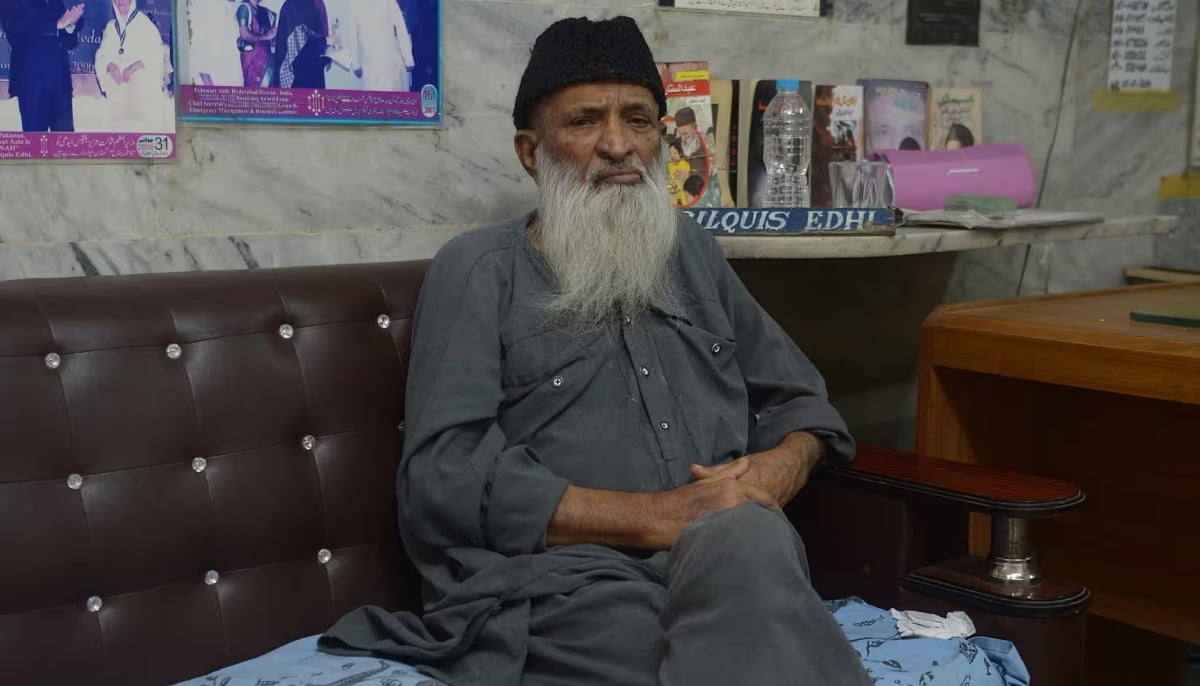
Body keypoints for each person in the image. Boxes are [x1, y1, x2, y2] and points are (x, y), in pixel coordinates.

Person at [318, 15, 873, 686]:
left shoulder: (690, 251)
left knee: (752, 540)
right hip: (567, 584)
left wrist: (773, 472)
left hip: (724, 558)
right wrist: (658, 517)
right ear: (532, 151)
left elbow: (801, 401)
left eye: (638, 121)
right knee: (652, 640)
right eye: (585, 121)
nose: (618, 145)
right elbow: (444, 480)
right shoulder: (478, 270)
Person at [0, 0, 84, 132]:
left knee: (65, 145)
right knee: (36, 145)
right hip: (31, 82)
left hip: (60, 82)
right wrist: (56, 24)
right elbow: (14, 25)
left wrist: (70, 24)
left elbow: (70, 43)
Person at [94, 0, 168, 131]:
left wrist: (133, 68)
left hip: (141, 96)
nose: (119, 2)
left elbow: (156, 54)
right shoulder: (111, 27)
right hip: (118, 96)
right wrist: (111, 67)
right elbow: (101, 56)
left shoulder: (144, 24)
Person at [343, 0, 413, 92]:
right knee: (375, 102)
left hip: (389, 61)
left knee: (392, 101)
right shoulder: (355, 3)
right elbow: (353, 34)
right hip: (371, 64)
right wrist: (356, 64)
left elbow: (400, 26)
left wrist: (408, 59)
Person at [271, 0, 326, 88]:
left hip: (313, 64)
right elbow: (298, 40)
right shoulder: (291, 6)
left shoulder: (316, 3)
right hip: (298, 69)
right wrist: (325, 41)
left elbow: (320, 31)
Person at [187, 0, 242, 87]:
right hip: (214, 87)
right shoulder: (206, 7)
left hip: (231, 86)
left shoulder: (228, 7)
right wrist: (211, 91)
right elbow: (198, 55)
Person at [235, 0, 275, 87]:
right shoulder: (244, 8)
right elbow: (244, 34)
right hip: (252, 59)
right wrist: (265, 37)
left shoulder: (265, 11)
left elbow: (271, 35)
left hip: (266, 58)